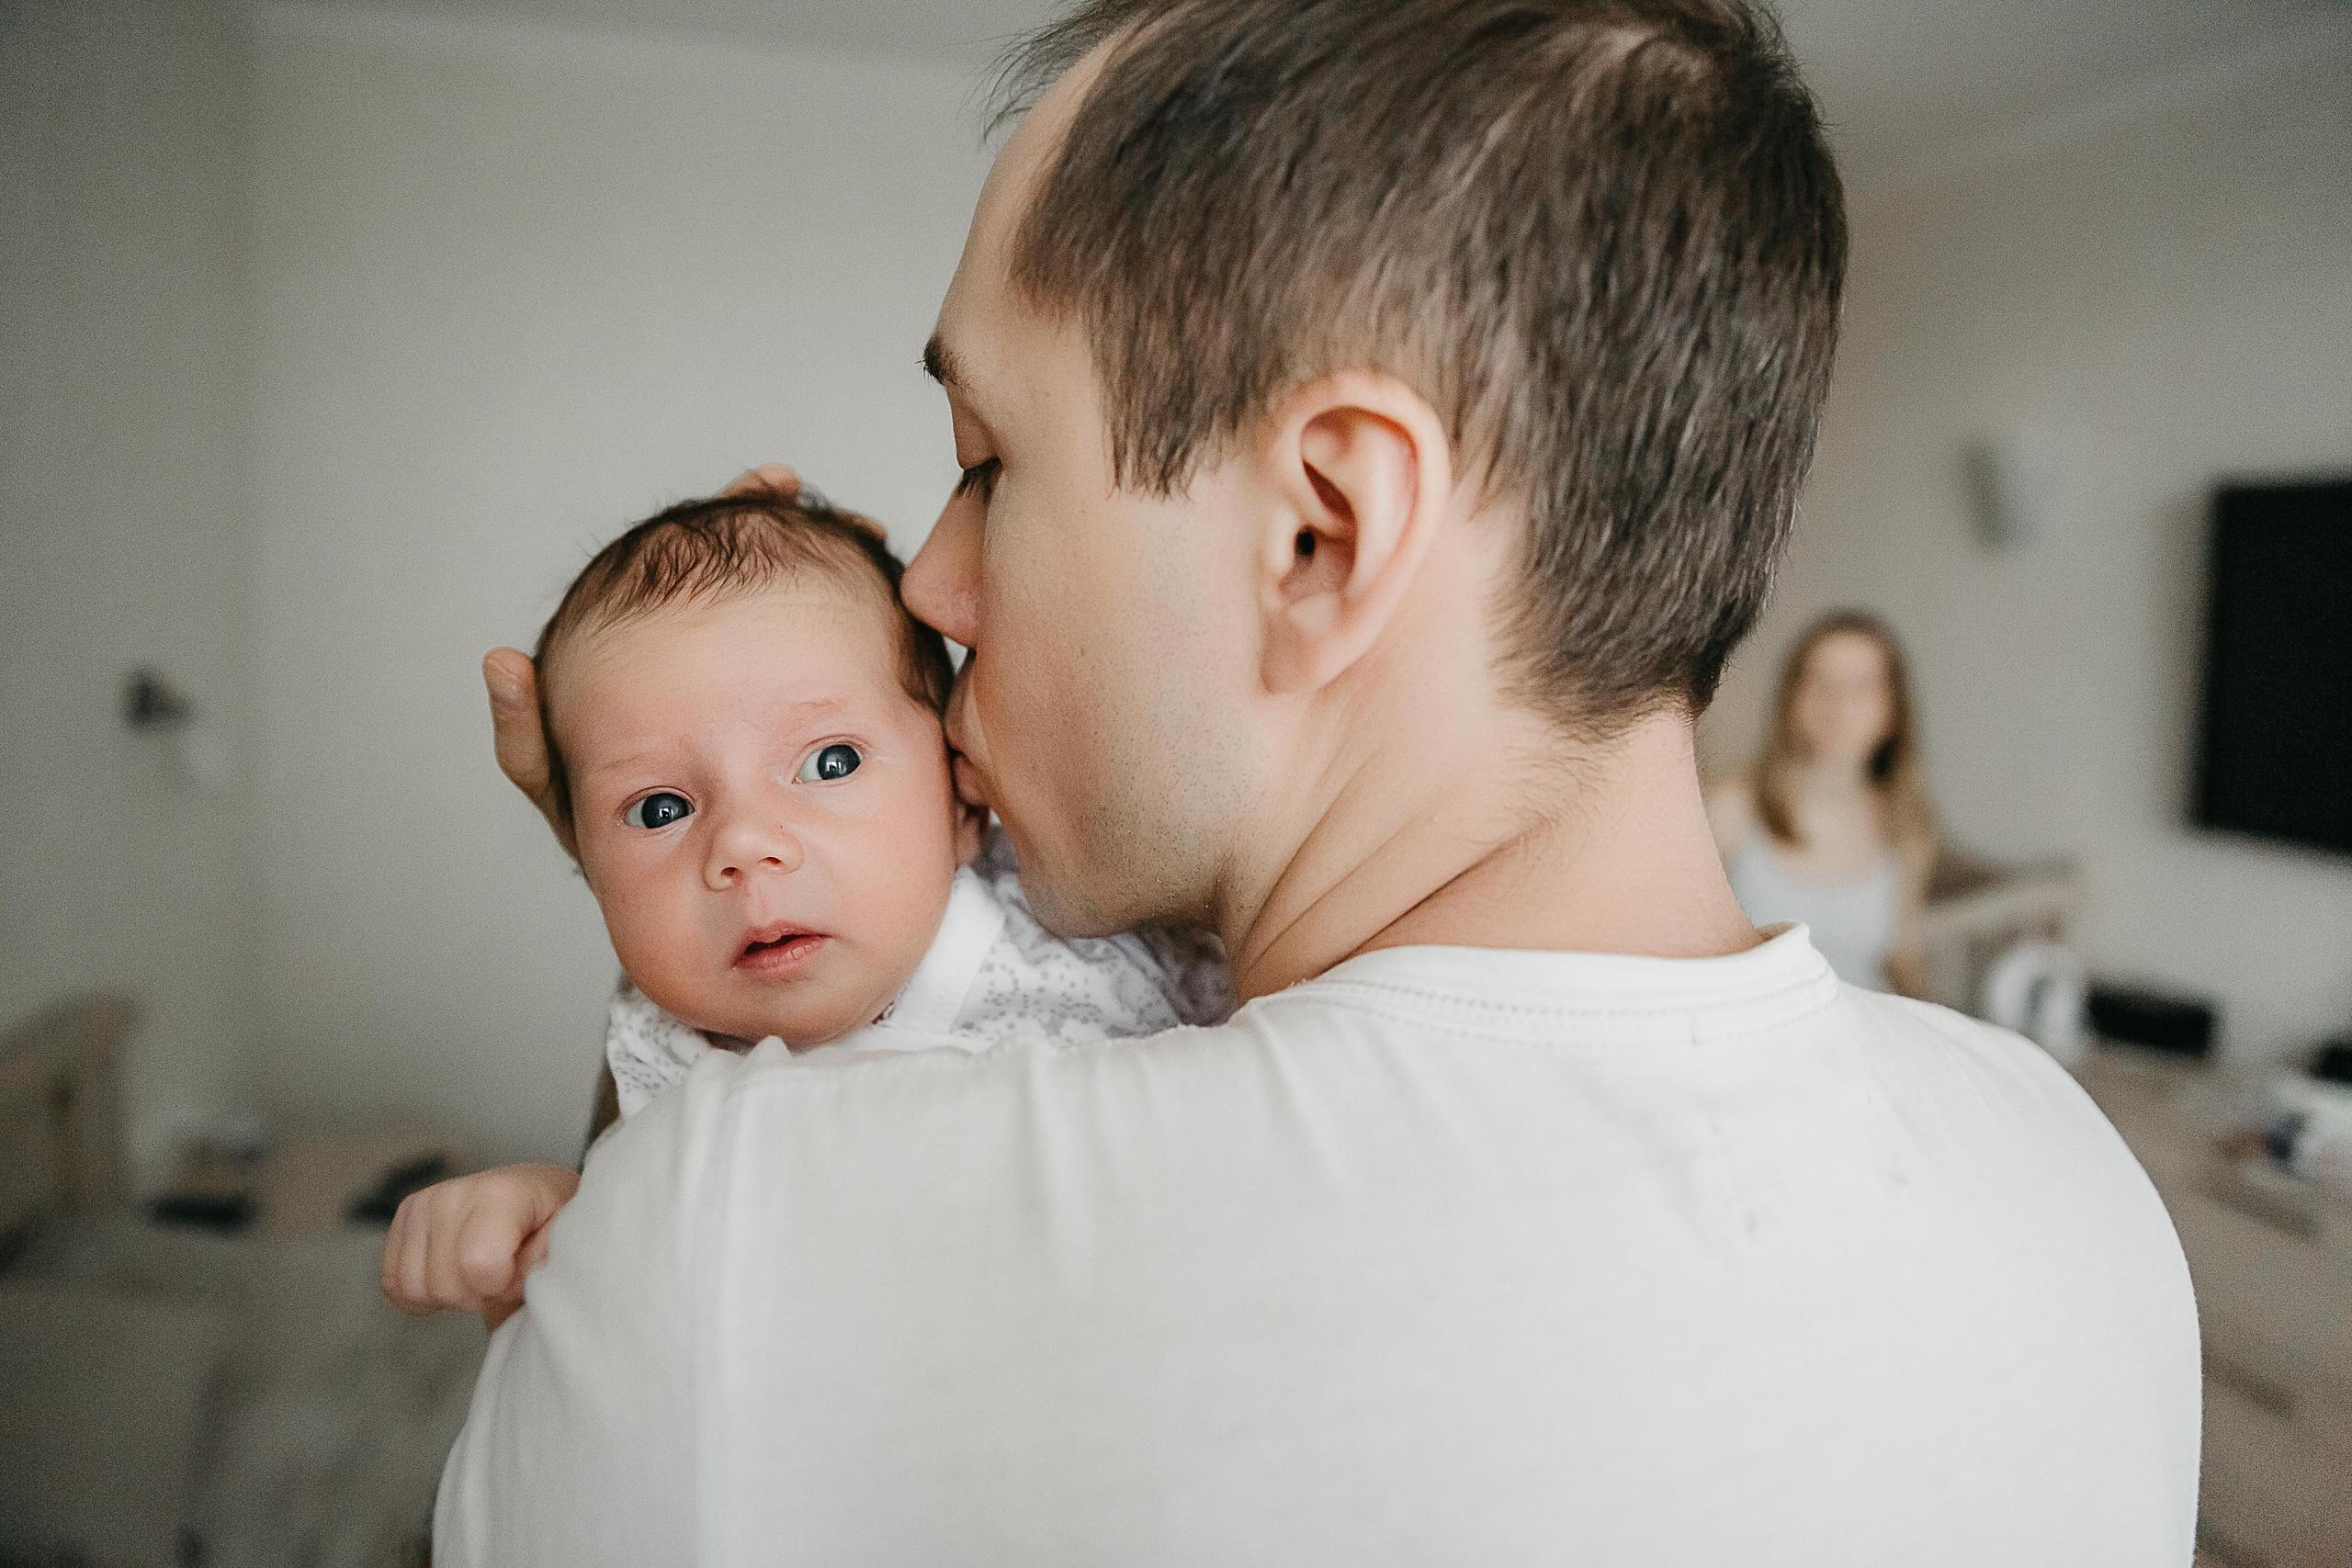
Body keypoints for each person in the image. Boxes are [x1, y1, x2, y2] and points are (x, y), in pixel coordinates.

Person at [435, 2, 2201, 1563]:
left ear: (1322, 532)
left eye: (992, 462)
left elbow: (673, 1315)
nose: (928, 589)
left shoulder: (746, 1251)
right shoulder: (2076, 1180)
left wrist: (654, 921)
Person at [378, 491, 1230, 1330]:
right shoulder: (666, 1051)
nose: (744, 844)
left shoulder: (1079, 927)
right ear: (584, 861)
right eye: (661, 809)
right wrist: (543, 1214)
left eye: (829, 762)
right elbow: (626, 1289)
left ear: (964, 800)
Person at [1709, 610, 1937, 994]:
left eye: (1860, 686)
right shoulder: (1731, 808)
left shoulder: (1908, 826)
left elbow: (1903, 958)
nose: (1838, 702)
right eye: (1820, 682)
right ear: (1792, 698)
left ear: (1892, 712)